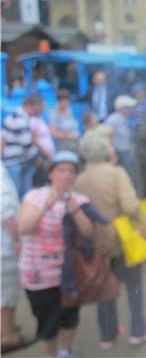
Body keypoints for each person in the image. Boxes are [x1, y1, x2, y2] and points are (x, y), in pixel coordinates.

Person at [74, 135, 146, 349]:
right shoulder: (116, 173)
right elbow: (129, 206)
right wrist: (139, 208)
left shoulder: (79, 179)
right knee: (134, 287)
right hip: (121, 241)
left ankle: (107, 335)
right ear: (105, 151)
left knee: (104, 288)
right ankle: (138, 330)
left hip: (96, 244)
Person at [17, 151, 94, 358]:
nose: (66, 175)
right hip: (39, 274)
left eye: (71, 171)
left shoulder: (80, 199)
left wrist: (75, 210)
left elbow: (88, 233)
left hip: (70, 273)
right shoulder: (34, 196)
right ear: (51, 173)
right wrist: (46, 205)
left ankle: (65, 352)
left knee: (70, 316)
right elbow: (23, 228)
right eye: (61, 170)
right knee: (47, 322)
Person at [1, 161, 35, 354]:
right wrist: (17, 240)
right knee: (7, 292)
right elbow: (5, 211)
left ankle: (6, 327)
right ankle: (8, 336)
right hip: (4, 246)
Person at [2, 95, 45, 198]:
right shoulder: (18, 119)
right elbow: (27, 145)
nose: (43, 108)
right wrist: (39, 157)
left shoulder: (23, 117)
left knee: (26, 194)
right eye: (41, 105)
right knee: (15, 193)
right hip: (14, 162)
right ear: (33, 106)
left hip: (23, 161)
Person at [105, 95, 137, 170]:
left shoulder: (125, 119)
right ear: (122, 109)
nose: (131, 110)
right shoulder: (112, 121)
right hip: (118, 155)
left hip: (126, 153)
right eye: (129, 108)